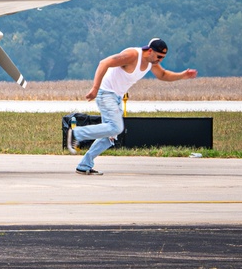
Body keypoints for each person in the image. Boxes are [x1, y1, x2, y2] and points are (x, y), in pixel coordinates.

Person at [67, 38, 197, 176]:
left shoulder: (151, 62)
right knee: (115, 127)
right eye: (159, 56)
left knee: (110, 137)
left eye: (163, 58)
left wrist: (182, 75)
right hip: (106, 93)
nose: (160, 60)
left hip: (116, 97)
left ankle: (84, 165)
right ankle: (76, 133)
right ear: (150, 50)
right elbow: (104, 63)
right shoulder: (132, 55)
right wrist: (95, 88)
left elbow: (163, 75)